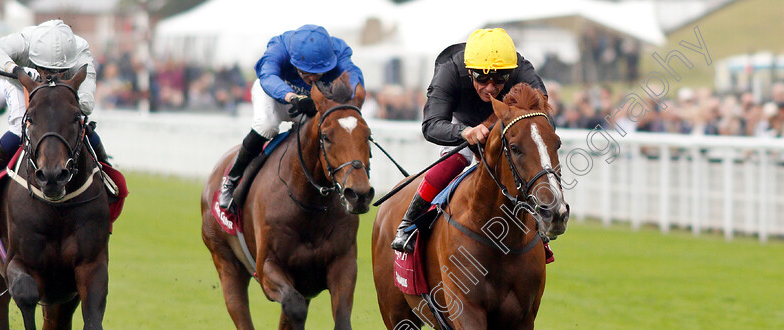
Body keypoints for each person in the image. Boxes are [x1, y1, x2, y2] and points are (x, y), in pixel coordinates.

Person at [391, 28, 547, 252]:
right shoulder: (450, 70)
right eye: (482, 79)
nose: (490, 88)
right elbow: (431, 125)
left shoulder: (520, 68)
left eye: (499, 79)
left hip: (507, 125)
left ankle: (545, 218)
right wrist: (464, 133)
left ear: (510, 72)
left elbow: (542, 109)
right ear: (469, 71)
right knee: (455, 161)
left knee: (529, 161)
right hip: (461, 123)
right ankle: (407, 223)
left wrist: (494, 127)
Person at [218, 24, 364, 211]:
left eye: (318, 73)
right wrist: (292, 97)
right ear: (294, 62)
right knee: (267, 125)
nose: (312, 79)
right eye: (305, 73)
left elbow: (354, 79)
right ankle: (231, 180)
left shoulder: (339, 51)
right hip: (275, 95)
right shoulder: (279, 47)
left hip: (314, 101)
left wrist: (338, 101)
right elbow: (267, 75)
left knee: (333, 132)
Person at [0, 19, 109, 196]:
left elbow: (87, 103)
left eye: (58, 71)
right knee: (18, 129)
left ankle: (105, 170)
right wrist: (15, 70)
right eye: (44, 69)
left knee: (80, 123)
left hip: (64, 94)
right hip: (22, 85)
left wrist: (66, 95)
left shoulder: (80, 52)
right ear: (33, 57)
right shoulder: (25, 41)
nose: (50, 75)